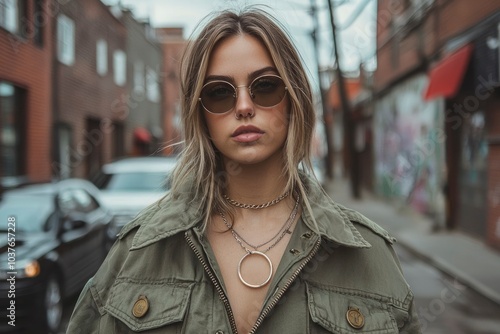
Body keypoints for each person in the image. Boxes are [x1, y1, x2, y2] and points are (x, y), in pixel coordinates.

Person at [67, 8, 421, 334]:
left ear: (294, 97)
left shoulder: (366, 253)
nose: (244, 106)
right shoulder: (138, 251)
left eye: (265, 86)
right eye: (219, 93)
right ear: (200, 112)